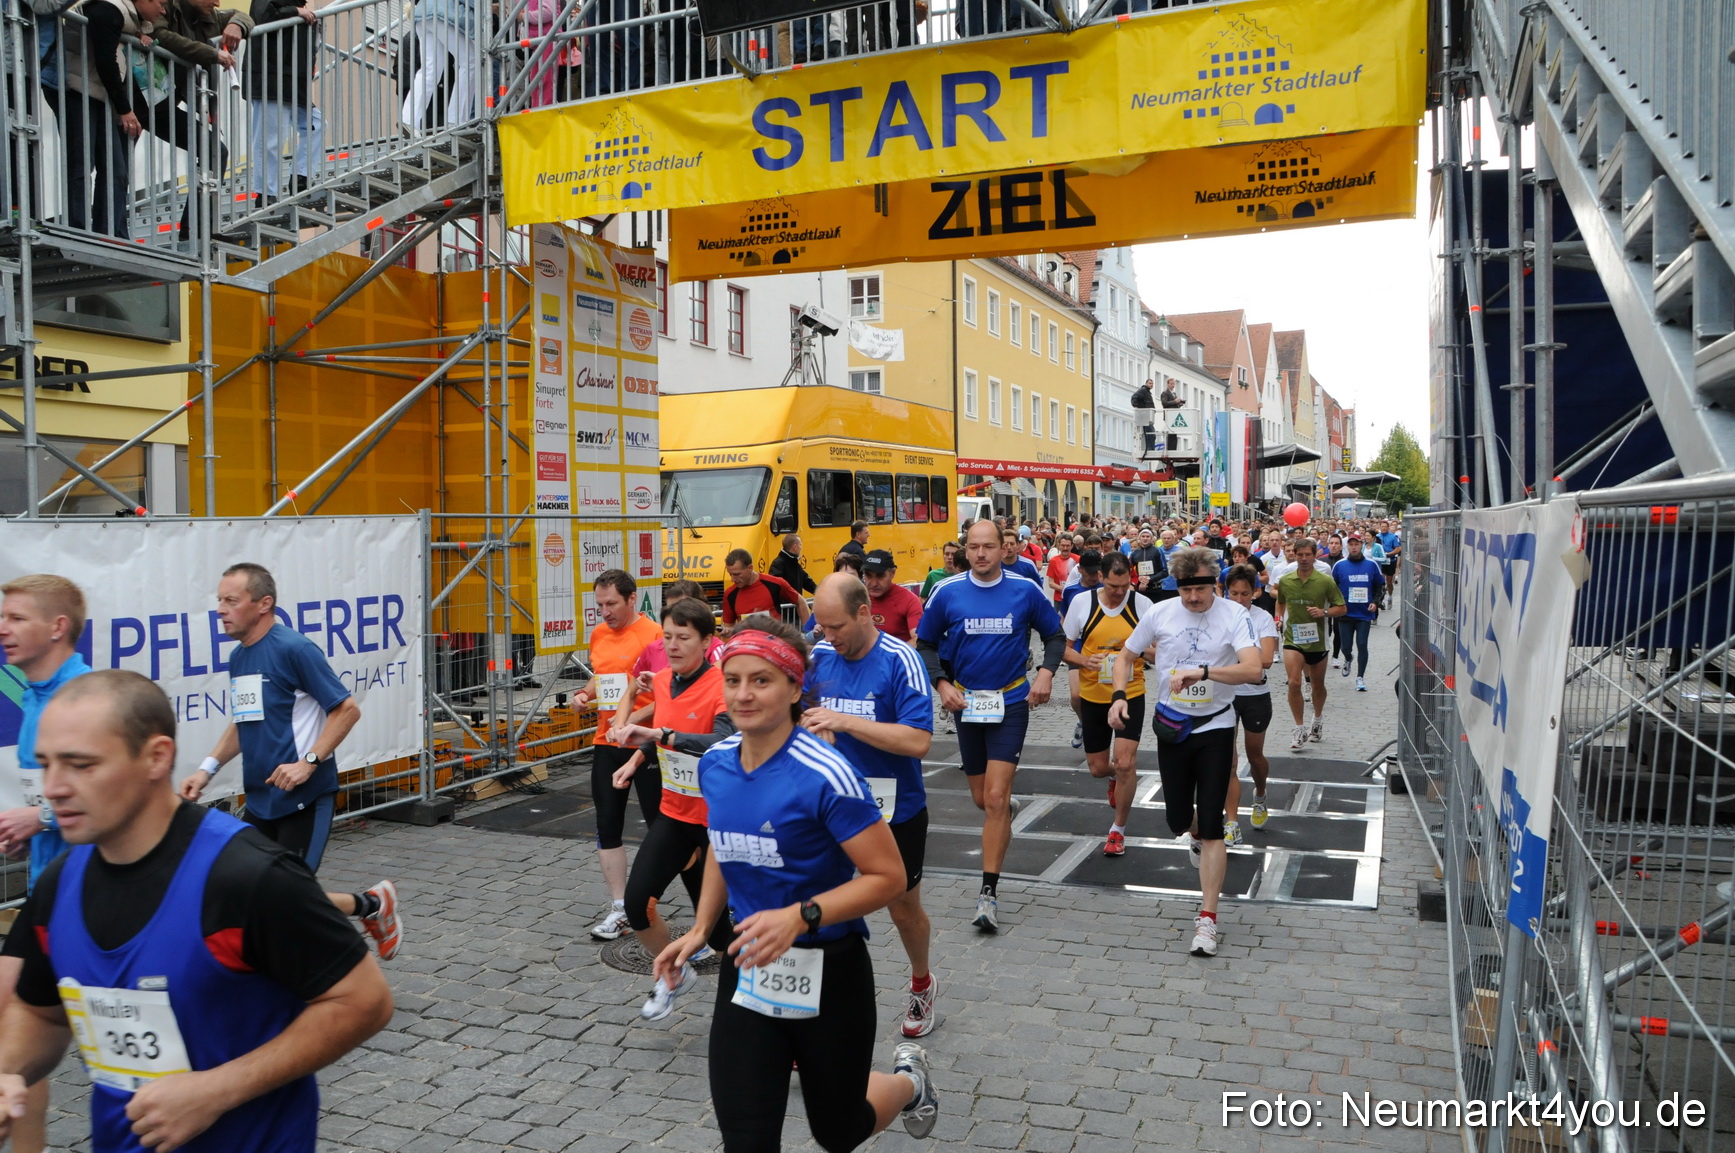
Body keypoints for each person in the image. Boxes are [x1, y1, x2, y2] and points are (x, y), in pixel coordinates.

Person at [0, 670, 394, 1153]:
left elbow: (364, 1001)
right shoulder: (60, 884)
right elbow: (40, 1014)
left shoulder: (247, 876)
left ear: (156, 757)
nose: (54, 788)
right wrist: (8, 1071)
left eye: (81, 765)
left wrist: (217, 1090)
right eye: (47, 764)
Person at [655, 619, 939, 1151]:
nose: (743, 694)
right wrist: (699, 928)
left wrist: (800, 915)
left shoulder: (826, 773)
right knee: (746, 1137)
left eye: (761, 680)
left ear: (792, 687)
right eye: (733, 679)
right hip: (749, 966)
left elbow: (888, 876)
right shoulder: (715, 764)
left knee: (838, 1130)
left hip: (830, 969)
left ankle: (909, 1081)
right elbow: (723, 841)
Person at [179, 564, 401, 959]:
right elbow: (243, 723)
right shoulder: (239, 657)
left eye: (231, 600)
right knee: (250, 891)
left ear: (264, 604)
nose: (221, 610)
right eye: (219, 600)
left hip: (305, 798)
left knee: (284, 898)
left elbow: (347, 710)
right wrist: (206, 768)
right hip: (262, 800)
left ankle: (341, 956)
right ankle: (372, 905)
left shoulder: (295, 649)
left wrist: (308, 762)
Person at [1110, 548, 1263, 957]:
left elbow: (1254, 669)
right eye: (1186, 590)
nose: (1193, 598)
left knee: (1212, 822)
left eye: (1200, 589)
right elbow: (1125, 657)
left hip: (1215, 725)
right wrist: (1120, 696)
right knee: (1178, 819)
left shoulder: (1234, 615)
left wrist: (1207, 672)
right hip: (1172, 726)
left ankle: (1207, 919)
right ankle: (1194, 830)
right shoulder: (1161, 613)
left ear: (1215, 584)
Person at [804, 574, 938, 1038]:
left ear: (864, 613)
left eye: (835, 626)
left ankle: (921, 981)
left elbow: (919, 740)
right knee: (820, 907)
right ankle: (810, 1015)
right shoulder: (819, 656)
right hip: (830, 807)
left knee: (903, 910)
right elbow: (796, 714)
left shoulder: (901, 659)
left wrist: (845, 721)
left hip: (893, 808)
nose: (828, 636)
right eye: (821, 627)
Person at [915, 519, 1064, 933]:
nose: (981, 554)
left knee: (996, 798)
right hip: (965, 702)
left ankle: (988, 894)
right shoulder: (947, 592)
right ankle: (1004, 810)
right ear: (966, 550)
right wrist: (941, 684)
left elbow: (1054, 635)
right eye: (973, 547)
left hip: (1012, 700)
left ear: (1004, 548)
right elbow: (924, 644)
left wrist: (1047, 673)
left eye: (988, 547)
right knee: (984, 799)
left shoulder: (1024, 589)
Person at [604, 598, 734, 1020]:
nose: (674, 645)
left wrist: (663, 734)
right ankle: (674, 972)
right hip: (675, 814)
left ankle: (751, 1013)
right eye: (668, 637)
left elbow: (722, 741)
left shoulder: (722, 685)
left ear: (707, 641)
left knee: (720, 933)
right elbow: (659, 730)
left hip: (716, 823)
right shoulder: (662, 680)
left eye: (684, 637)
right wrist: (636, 758)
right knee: (638, 901)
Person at [0, 576, 91, 1153]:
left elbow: (116, 791)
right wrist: (32, 826)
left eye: (15, 618)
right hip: (48, 889)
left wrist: (43, 820)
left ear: (57, 627)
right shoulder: (34, 691)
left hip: (94, 894)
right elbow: (52, 791)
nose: (2, 629)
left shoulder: (84, 694)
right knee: (13, 1042)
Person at [566, 569, 664, 942]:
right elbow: (602, 674)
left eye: (611, 604)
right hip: (607, 742)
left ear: (631, 599)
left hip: (646, 743)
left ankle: (669, 900)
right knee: (608, 824)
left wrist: (633, 722)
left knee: (662, 827)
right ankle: (621, 908)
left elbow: (666, 695)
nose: (604, 612)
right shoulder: (599, 634)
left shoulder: (653, 635)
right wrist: (584, 695)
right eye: (600, 605)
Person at [43, 0, 169, 237]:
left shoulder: (124, 17)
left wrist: (141, 33)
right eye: (161, 3)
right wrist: (125, 110)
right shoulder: (108, 9)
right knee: (82, 160)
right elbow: (105, 61)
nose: (163, 10)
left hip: (97, 92)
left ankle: (110, 233)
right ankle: (78, 230)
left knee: (115, 167)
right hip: (75, 88)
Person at [1062, 554, 1153, 856]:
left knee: (1126, 762)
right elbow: (1061, 646)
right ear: (1100, 577)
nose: (1119, 592)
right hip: (1093, 695)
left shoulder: (1141, 605)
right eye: (1114, 586)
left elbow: (1160, 649)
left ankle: (1118, 830)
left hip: (1130, 693)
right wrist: (1084, 660)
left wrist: (1140, 652)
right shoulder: (1082, 604)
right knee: (1099, 768)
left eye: (1125, 585)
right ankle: (1114, 777)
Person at [1220, 566, 1279, 837]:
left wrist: (1232, 656)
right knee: (1228, 762)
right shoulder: (1218, 616)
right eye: (1234, 593)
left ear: (1255, 593)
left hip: (1255, 695)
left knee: (1255, 756)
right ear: (1224, 592)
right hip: (1226, 696)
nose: (1240, 599)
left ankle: (1260, 793)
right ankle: (1231, 821)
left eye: (1245, 593)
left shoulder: (1263, 617)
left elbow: (1266, 659)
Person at [245, 0, 322, 206]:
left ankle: (300, 177)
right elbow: (263, 18)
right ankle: (266, 194)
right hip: (268, 76)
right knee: (269, 138)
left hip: (292, 79)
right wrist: (296, 12)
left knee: (315, 123)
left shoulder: (301, 6)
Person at [1275, 539, 1347, 750]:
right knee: (1294, 682)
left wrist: (1324, 612)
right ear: (1294, 555)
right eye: (1300, 555)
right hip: (1292, 638)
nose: (1304, 559)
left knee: (1317, 685)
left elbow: (1341, 608)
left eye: (1308, 554)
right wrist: (1278, 618)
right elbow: (1280, 601)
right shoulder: (1286, 580)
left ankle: (1317, 719)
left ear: (1315, 555)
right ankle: (1299, 728)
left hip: (1318, 641)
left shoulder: (1325, 581)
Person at [402, 0, 478, 131]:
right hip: (443, 12)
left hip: (424, 12)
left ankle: (409, 119)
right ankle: (456, 121)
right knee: (471, 61)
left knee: (429, 69)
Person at [1332, 534, 1386, 692]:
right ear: (1347, 547)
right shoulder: (1340, 565)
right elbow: (1332, 588)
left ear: (1361, 545)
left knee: (1362, 644)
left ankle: (1360, 677)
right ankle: (1348, 658)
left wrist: (1375, 602)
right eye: (1351, 545)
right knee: (1345, 647)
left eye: (1356, 544)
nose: (1354, 547)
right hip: (1345, 613)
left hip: (1364, 613)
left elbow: (1379, 586)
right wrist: (1336, 604)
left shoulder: (1371, 564)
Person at [722, 549, 811, 629]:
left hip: (775, 643)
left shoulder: (774, 583)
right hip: (747, 644)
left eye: (737, 574)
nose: (732, 579)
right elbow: (728, 625)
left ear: (750, 568)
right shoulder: (730, 594)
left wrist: (808, 633)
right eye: (730, 574)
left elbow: (800, 601)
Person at [862, 550, 923, 642]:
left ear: (892, 573)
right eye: (868, 575)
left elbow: (918, 639)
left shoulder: (909, 600)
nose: (874, 583)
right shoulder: (857, 598)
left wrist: (893, 655)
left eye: (880, 576)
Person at [1128, 527, 1166, 601]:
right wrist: (1136, 581)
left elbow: (1164, 572)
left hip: (1155, 589)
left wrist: (1149, 579)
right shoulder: (1135, 553)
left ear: (1151, 538)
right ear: (1139, 538)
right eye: (1143, 536)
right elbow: (1129, 570)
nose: (1145, 538)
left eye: (1148, 536)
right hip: (1140, 588)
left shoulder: (1157, 551)